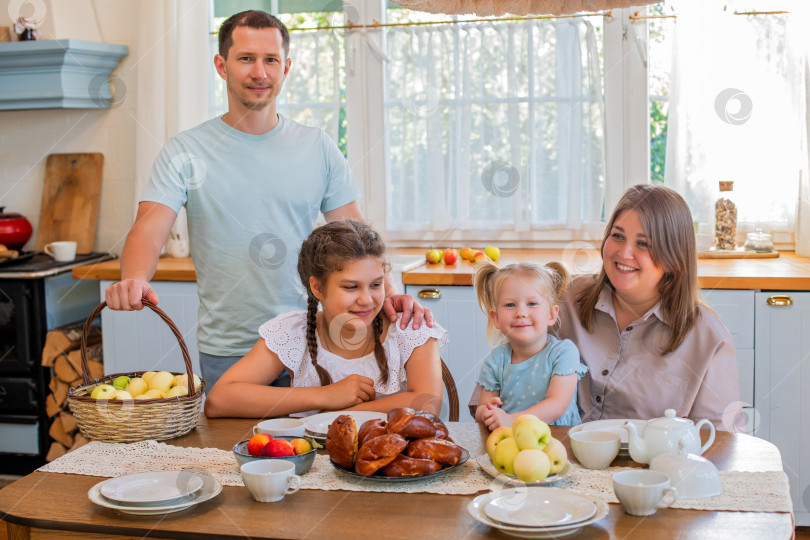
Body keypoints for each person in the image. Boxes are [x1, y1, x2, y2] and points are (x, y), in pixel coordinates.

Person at [103, 11, 431, 388]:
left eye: (270, 60)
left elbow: (358, 239)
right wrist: (133, 279)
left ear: (285, 67)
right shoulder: (185, 150)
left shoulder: (317, 146)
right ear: (221, 65)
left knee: (318, 446)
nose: (259, 72)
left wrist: (390, 294)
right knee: (230, 449)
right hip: (229, 349)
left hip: (311, 343)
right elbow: (148, 229)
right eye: (246, 59)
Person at [204, 220, 446, 418]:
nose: (367, 299)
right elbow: (219, 400)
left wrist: (336, 416)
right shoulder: (293, 332)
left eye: (375, 284)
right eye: (351, 287)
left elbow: (427, 405)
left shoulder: (410, 327)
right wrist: (327, 395)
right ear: (317, 288)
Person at [558, 184, 743, 430]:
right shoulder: (565, 301)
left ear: (674, 259)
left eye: (643, 243)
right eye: (618, 236)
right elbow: (511, 376)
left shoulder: (709, 339)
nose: (624, 253)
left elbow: (721, 442)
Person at [472, 260, 587, 430]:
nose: (521, 313)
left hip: (559, 442)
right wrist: (488, 412)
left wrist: (512, 420)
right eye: (510, 305)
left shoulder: (563, 352)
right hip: (511, 441)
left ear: (551, 315)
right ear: (495, 318)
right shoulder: (496, 360)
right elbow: (480, 408)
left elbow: (556, 404)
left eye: (532, 303)